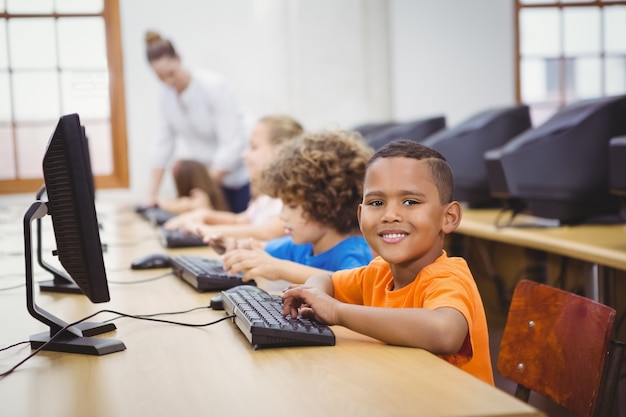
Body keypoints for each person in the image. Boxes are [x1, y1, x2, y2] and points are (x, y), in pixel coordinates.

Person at [281, 140, 494, 385]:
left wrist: (336, 311)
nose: (390, 215)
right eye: (377, 203)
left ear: (448, 217)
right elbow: (326, 279)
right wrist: (313, 296)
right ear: (361, 216)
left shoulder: (449, 277)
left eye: (410, 202)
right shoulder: (379, 273)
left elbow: (445, 333)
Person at [221, 130, 375, 291]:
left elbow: (355, 288)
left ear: (329, 204)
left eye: (292, 206)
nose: (282, 215)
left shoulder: (353, 252)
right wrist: (237, 246)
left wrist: (281, 268)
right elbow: (261, 249)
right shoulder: (302, 245)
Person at [144, 30, 251, 213]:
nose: (168, 81)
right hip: (210, 179)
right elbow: (162, 146)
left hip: (237, 177)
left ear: (179, 59)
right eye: (161, 77)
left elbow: (232, 143)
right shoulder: (166, 97)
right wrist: (151, 197)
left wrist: (205, 187)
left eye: (171, 73)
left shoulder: (213, 86)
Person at [163, 115, 304, 244]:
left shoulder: (289, 200)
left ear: (280, 152)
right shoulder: (266, 198)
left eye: (253, 147)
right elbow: (238, 220)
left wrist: (205, 230)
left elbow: (267, 233)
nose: (244, 155)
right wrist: (204, 215)